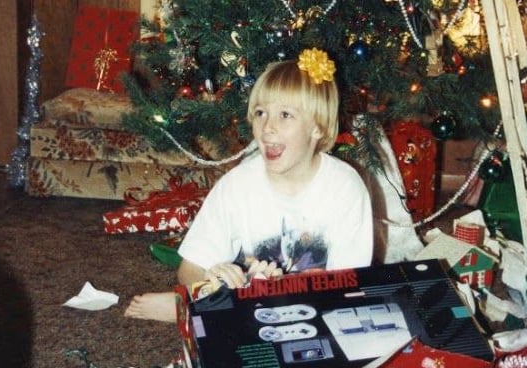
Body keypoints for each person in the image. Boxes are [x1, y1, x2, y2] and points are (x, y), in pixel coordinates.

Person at [125, 49, 374, 322]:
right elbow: (190, 267)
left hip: (317, 309)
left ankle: (190, 310)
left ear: (317, 128)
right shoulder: (237, 185)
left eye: (285, 115)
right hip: (248, 304)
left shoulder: (345, 188)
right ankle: (196, 306)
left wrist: (280, 290)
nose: (267, 127)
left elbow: (348, 287)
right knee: (221, 315)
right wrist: (212, 280)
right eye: (260, 113)